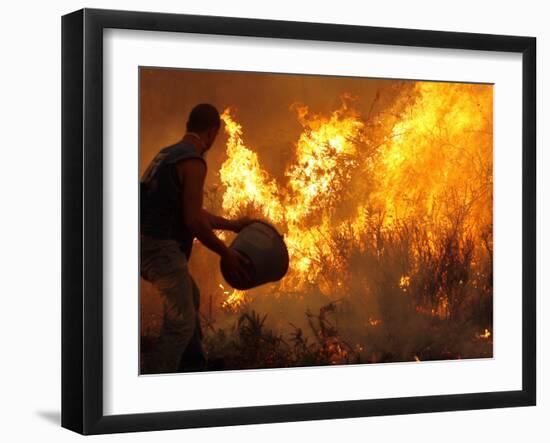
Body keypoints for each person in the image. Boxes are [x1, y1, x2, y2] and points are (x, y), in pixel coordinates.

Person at [140, 103, 252, 372]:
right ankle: (152, 385)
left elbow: (191, 211)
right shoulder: (194, 161)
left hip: (143, 244)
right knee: (180, 324)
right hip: (161, 250)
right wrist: (226, 253)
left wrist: (233, 225)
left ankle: (194, 365)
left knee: (190, 295)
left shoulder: (166, 155)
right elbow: (192, 222)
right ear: (212, 132)